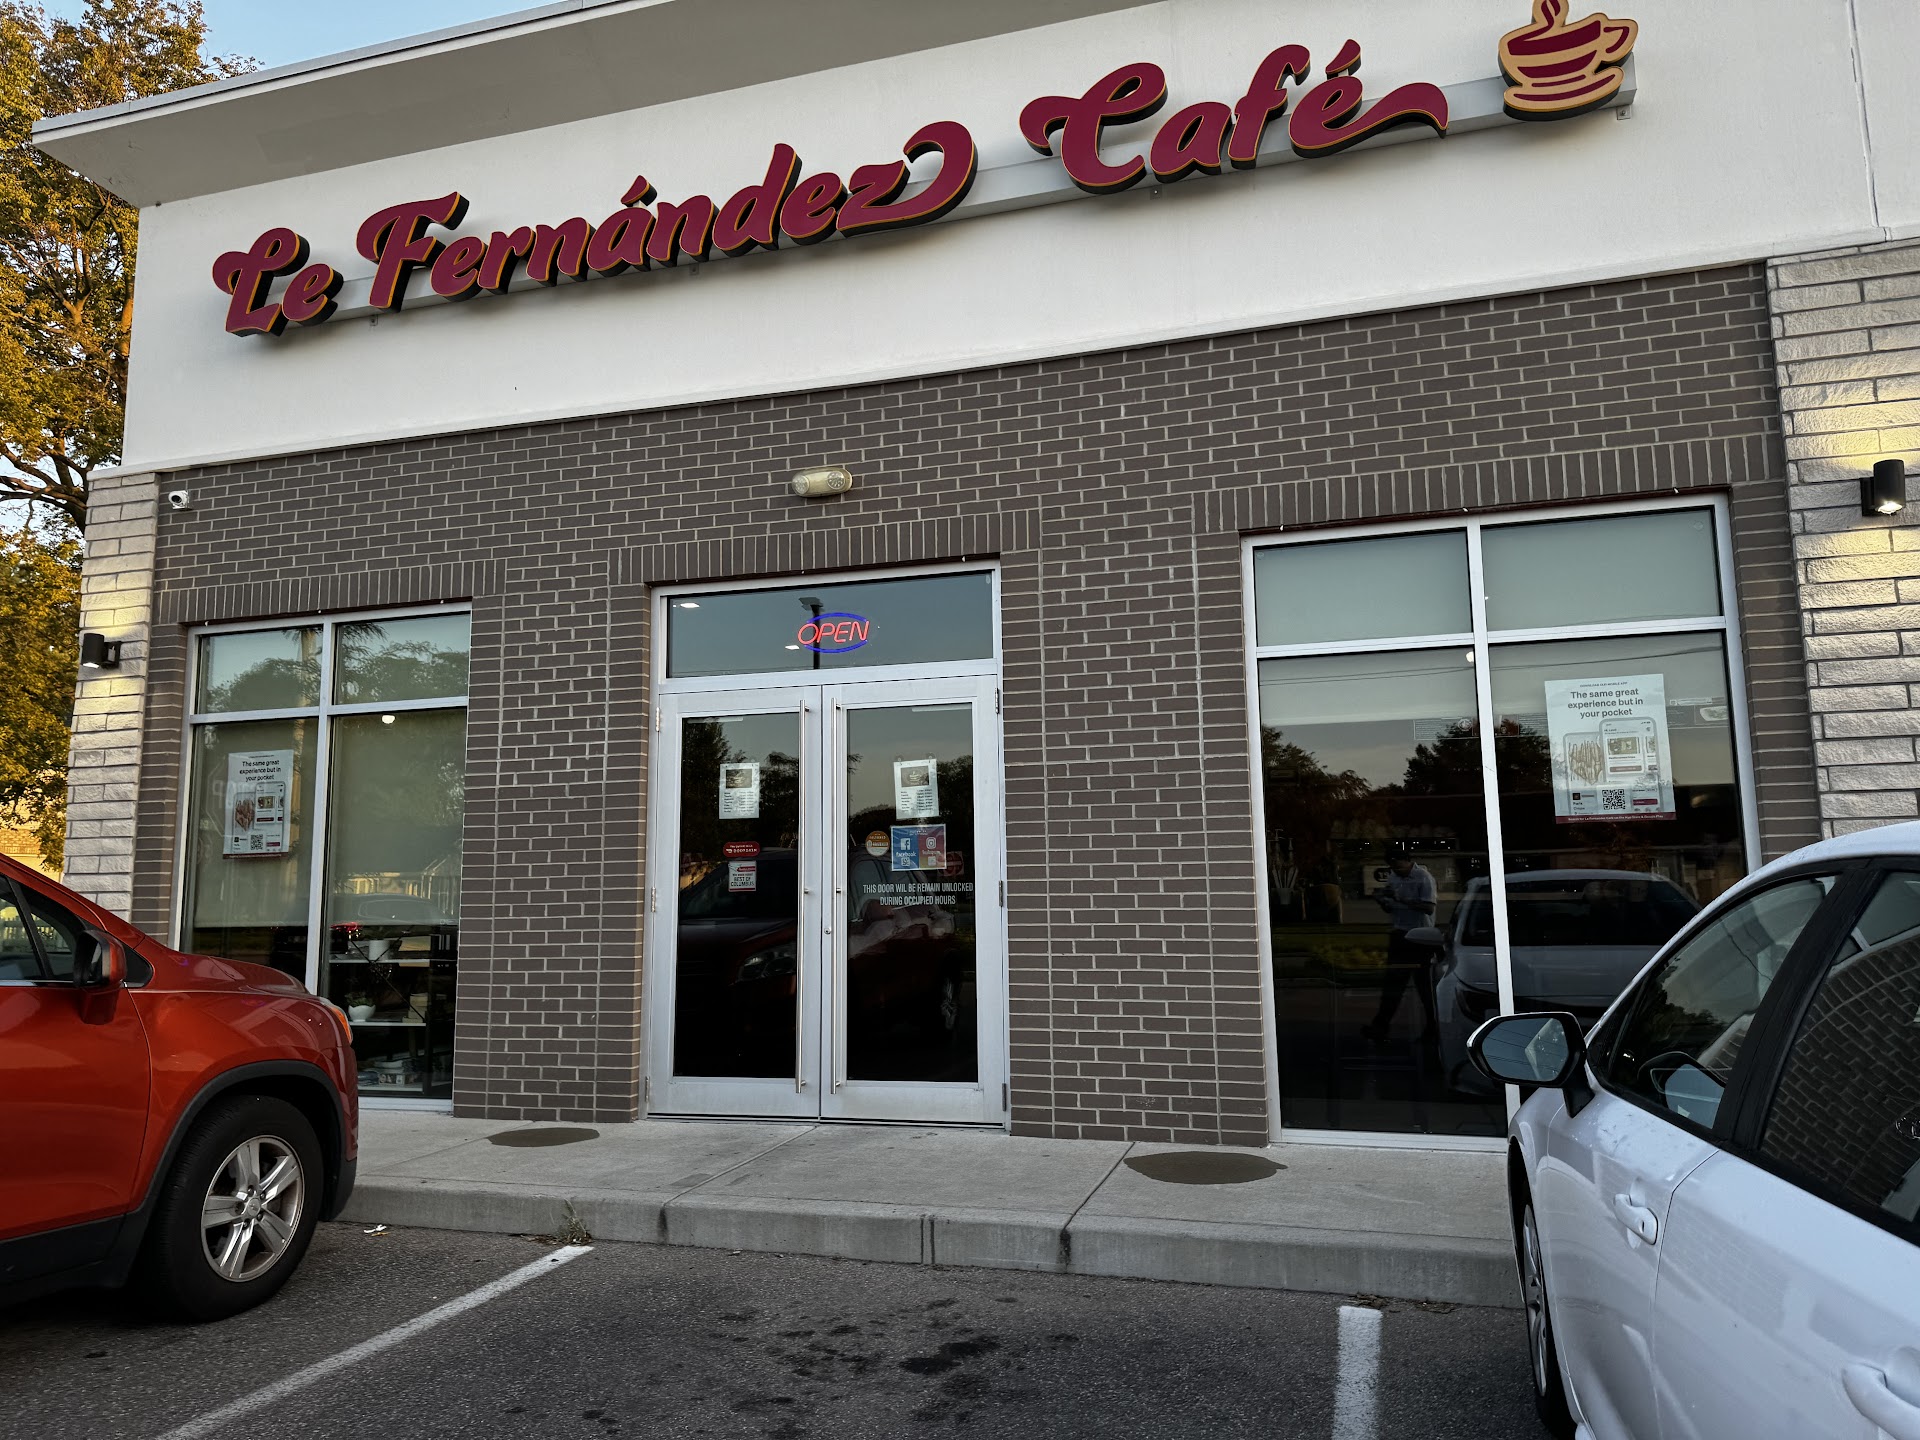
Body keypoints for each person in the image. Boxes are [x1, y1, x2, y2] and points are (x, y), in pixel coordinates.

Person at [1364, 848, 1438, 1045]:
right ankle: (1380, 1027)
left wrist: (1401, 899)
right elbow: (1391, 907)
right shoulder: (1394, 877)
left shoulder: (1424, 878)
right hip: (1399, 934)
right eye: (1393, 867)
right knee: (1392, 984)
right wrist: (1382, 900)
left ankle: (1434, 1029)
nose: (1396, 871)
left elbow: (1429, 907)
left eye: (1399, 867)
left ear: (1408, 861)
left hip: (1421, 936)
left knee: (1425, 987)